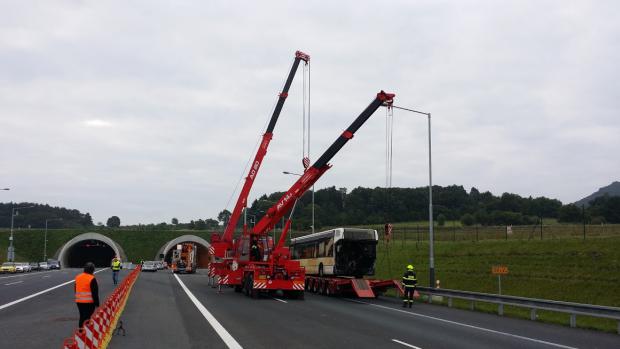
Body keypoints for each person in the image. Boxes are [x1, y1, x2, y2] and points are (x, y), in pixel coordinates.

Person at [75, 262, 99, 328]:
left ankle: (81, 331)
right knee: (87, 317)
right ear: (92, 270)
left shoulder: (78, 277)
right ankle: (86, 332)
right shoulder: (92, 278)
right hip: (89, 302)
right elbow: (95, 293)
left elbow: (75, 289)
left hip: (79, 301)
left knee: (82, 316)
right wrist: (97, 304)